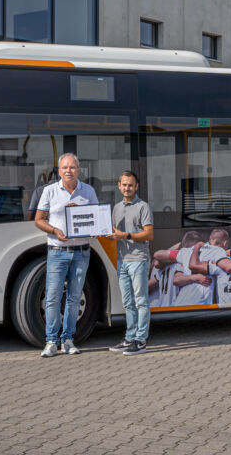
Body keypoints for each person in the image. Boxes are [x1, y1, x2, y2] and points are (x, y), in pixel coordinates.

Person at [33, 153, 98, 358]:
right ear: (59, 171)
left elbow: (96, 218)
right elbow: (39, 219)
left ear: (79, 170)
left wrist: (95, 227)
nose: (69, 171)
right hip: (57, 251)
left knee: (74, 298)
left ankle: (68, 340)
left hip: (81, 252)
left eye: (72, 167)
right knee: (52, 298)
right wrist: (54, 231)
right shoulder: (49, 191)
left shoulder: (88, 191)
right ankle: (51, 341)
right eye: (64, 168)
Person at [104, 170, 154, 356]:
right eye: (124, 185)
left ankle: (141, 341)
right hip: (122, 261)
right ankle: (129, 338)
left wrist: (125, 235)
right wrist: (105, 235)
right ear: (119, 186)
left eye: (130, 185)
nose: (127, 188)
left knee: (141, 301)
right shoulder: (116, 208)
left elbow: (149, 234)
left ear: (136, 187)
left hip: (138, 260)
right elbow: (115, 235)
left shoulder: (143, 207)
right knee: (128, 303)